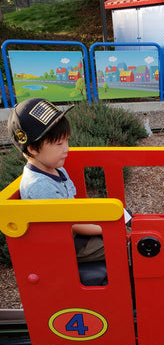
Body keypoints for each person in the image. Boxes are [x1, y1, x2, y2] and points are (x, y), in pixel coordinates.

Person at [7, 97, 105, 262]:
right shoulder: (39, 185)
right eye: (59, 144)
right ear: (32, 148)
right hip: (64, 244)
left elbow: (71, 207)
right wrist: (102, 228)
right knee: (120, 244)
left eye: (67, 140)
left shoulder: (55, 168)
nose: (67, 148)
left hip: (72, 234)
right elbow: (69, 225)